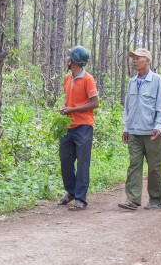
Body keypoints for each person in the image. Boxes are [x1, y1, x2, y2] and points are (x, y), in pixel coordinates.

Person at [118, 48, 161, 211]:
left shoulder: (157, 80)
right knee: (134, 165)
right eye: (133, 58)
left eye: (138, 58)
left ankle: (155, 199)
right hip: (134, 132)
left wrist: (159, 126)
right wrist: (126, 127)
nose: (134, 61)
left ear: (147, 60)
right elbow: (128, 107)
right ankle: (132, 199)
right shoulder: (132, 82)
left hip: (152, 132)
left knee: (154, 167)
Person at [57, 46, 99, 211]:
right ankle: (71, 192)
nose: (67, 59)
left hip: (84, 126)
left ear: (75, 60)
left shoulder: (88, 79)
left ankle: (81, 199)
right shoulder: (68, 78)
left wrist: (72, 110)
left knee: (83, 163)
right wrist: (65, 106)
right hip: (68, 125)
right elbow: (68, 99)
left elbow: (95, 103)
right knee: (65, 160)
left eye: (69, 57)